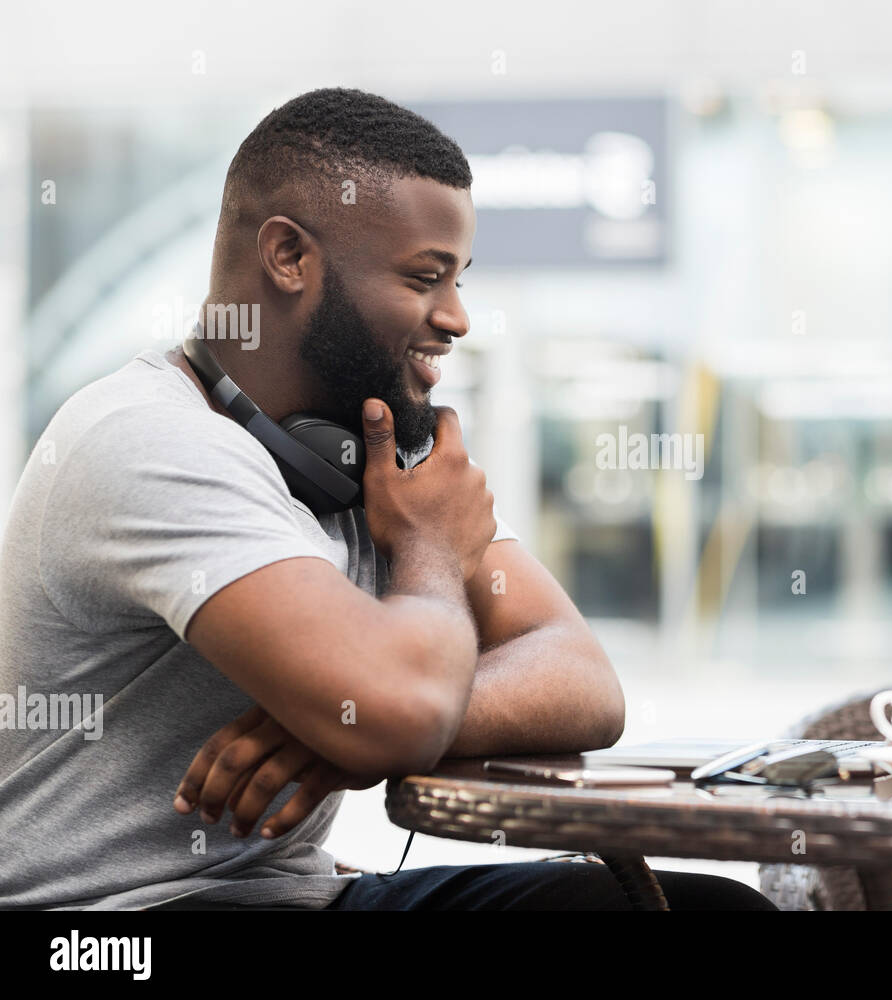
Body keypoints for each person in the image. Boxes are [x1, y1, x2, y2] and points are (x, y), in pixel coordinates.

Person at [0, 87, 774, 911]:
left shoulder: (369, 447)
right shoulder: (148, 439)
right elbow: (396, 710)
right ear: (289, 256)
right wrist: (428, 568)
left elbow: (583, 679)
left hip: (290, 897)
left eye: (460, 279)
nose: (457, 318)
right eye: (425, 277)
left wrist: (335, 733)